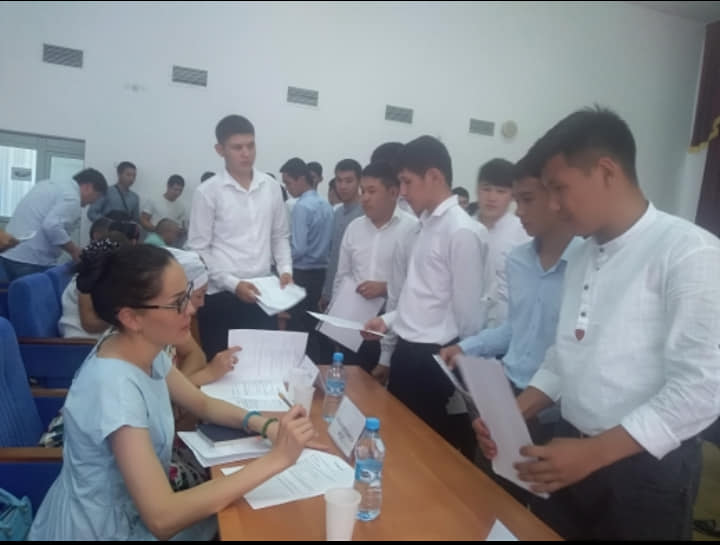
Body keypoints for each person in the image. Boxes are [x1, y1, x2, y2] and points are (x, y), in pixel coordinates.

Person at [473, 107, 720, 540]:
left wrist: (595, 453)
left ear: (606, 171)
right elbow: (564, 356)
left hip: (645, 469)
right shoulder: (582, 253)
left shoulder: (688, 252)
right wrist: (511, 414)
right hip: (569, 449)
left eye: (559, 188)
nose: (553, 204)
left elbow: (702, 388)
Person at [28, 244, 318, 540]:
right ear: (131, 317)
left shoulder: (140, 346)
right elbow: (162, 517)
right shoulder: (115, 389)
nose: (190, 309)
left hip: (134, 511)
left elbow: (202, 404)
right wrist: (278, 459)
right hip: (106, 530)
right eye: (177, 303)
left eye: (187, 294)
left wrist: (265, 425)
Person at [439, 162, 579, 502]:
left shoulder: (585, 265)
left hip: (554, 408)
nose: (520, 211)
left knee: (536, 509)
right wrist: (467, 347)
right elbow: (516, 328)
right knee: (484, 493)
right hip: (507, 389)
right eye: (517, 200)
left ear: (556, 199)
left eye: (527, 200)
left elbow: (573, 351)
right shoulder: (517, 260)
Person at [363, 136, 495, 457]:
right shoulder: (423, 227)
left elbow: (469, 318)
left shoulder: (461, 231)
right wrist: (387, 321)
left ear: (434, 176)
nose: (402, 192)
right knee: (399, 443)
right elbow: (419, 296)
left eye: (407, 182)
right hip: (408, 352)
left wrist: (464, 375)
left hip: (436, 360)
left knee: (430, 454)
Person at [187, 115, 292, 359]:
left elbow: (279, 236)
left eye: (250, 145)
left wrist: (286, 270)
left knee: (260, 364)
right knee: (222, 366)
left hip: (263, 294)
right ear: (220, 150)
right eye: (237, 147)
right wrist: (233, 284)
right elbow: (199, 249)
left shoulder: (271, 187)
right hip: (222, 296)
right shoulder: (208, 192)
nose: (246, 153)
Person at [331, 161, 417, 373]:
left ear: (393, 192)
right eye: (363, 191)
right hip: (353, 325)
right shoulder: (354, 228)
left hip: (392, 326)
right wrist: (334, 325)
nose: (365, 198)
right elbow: (342, 277)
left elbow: (417, 284)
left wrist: (385, 288)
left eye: (372, 191)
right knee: (349, 382)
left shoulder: (412, 230)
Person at [0, 168, 108, 281]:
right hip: (31, 260)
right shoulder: (73, 197)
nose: (92, 203)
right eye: (97, 196)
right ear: (88, 187)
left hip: (9, 252)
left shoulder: (49, 184)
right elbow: (52, 226)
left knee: (9, 292)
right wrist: (74, 250)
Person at [280, 158, 333, 345]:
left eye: (288, 183)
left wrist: (280, 261)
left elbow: (299, 248)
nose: (287, 189)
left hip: (301, 273)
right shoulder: (326, 205)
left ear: (301, 179)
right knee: (312, 323)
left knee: (297, 325)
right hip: (321, 273)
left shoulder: (301, 206)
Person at [474, 159, 531, 325]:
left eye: (501, 191)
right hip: (464, 324)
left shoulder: (523, 233)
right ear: (477, 190)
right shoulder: (464, 229)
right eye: (486, 189)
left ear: (512, 195)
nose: (492, 198)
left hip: (505, 325)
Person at [319, 159, 363, 311]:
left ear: (359, 181)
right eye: (339, 180)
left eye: (349, 181)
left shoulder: (365, 214)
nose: (343, 186)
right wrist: (326, 292)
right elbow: (333, 257)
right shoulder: (337, 213)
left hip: (356, 294)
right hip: (334, 290)